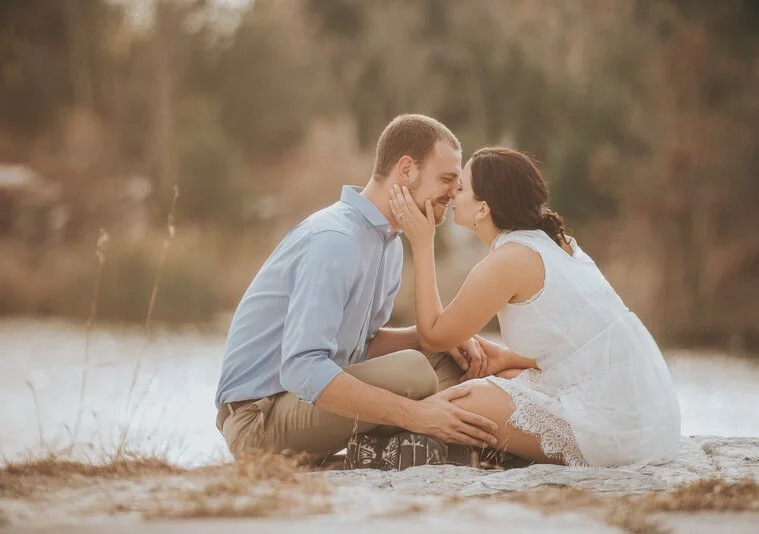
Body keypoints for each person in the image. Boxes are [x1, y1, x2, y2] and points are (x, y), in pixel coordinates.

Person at [214, 114, 501, 464]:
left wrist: (428, 338)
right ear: (406, 169)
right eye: (446, 180)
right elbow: (302, 368)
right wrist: (414, 415)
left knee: (448, 359)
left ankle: (438, 449)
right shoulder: (336, 240)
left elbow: (359, 348)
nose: (454, 193)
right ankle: (415, 436)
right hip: (259, 420)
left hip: (303, 406)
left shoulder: (390, 244)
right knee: (413, 370)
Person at [387, 147, 681, 467]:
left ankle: (393, 449)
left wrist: (422, 244)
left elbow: (432, 336)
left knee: (463, 400)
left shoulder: (509, 260)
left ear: (483, 208)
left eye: (461, 188)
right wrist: (504, 357)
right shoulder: (555, 242)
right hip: (649, 412)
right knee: (507, 372)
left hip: (620, 425)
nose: (453, 193)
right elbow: (578, 343)